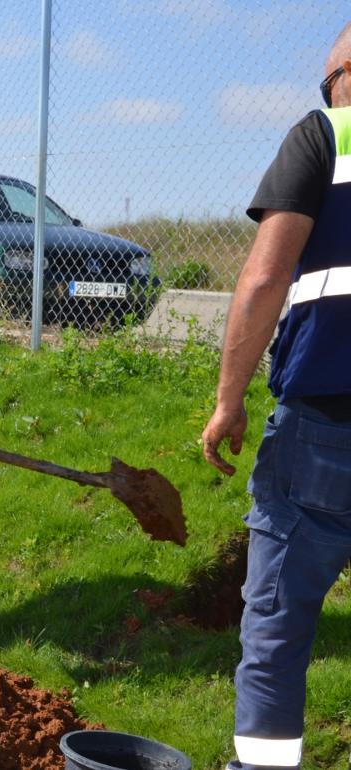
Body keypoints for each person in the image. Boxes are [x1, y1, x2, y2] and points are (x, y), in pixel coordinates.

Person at [201, 25, 351, 770]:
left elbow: (264, 278)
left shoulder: (326, 135)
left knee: (279, 624)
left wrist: (229, 401)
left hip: (327, 427)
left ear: (343, 74)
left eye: (328, 82)